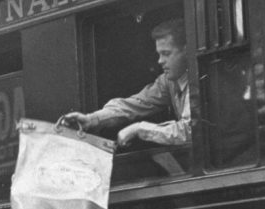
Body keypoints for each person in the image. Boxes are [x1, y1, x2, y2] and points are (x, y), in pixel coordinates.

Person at [62, 17, 190, 147]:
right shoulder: (168, 81)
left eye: (166, 53)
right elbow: (135, 104)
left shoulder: (198, 79)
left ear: (186, 51)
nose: (160, 61)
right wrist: (91, 119)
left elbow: (190, 130)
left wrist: (139, 129)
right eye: (159, 54)